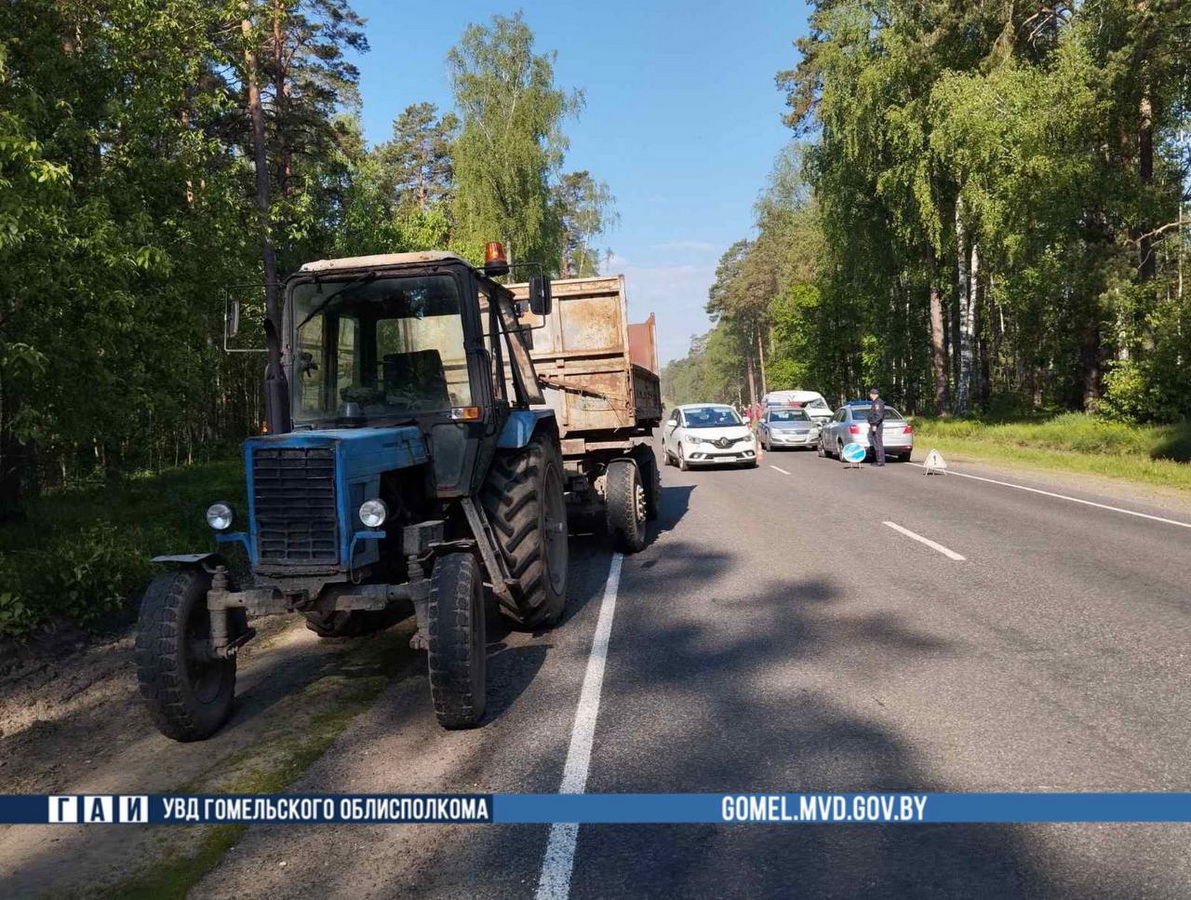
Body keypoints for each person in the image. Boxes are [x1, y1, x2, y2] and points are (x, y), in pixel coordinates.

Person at [866, 387, 886, 466]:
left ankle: (880, 461)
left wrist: (874, 424)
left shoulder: (878, 403)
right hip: (876, 424)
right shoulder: (875, 402)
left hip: (877, 425)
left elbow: (878, 415)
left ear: (873, 394)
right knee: (876, 442)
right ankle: (878, 460)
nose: (870, 396)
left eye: (870, 394)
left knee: (878, 442)